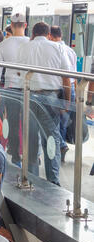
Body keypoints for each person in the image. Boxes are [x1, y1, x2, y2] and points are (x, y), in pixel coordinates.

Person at [17, 22, 71, 186]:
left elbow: (19, 71)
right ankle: (53, 181)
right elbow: (66, 77)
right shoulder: (57, 48)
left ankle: (31, 178)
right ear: (48, 34)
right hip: (51, 98)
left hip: (28, 96)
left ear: (33, 33)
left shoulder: (25, 48)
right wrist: (66, 103)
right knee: (51, 139)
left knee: (31, 138)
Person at [0, 13, 29, 168]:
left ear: (11, 25)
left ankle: (15, 156)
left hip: (10, 88)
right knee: (30, 123)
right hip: (29, 88)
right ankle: (33, 155)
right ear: (25, 25)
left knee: (13, 122)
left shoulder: (3, 45)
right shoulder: (30, 43)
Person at [49, 25, 77, 163]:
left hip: (59, 89)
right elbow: (74, 75)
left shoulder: (54, 50)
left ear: (51, 36)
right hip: (70, 88)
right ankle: (60, 152)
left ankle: (60, 146)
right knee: (63, 124)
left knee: (53, 123)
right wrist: (76, 93)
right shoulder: (71, 51)